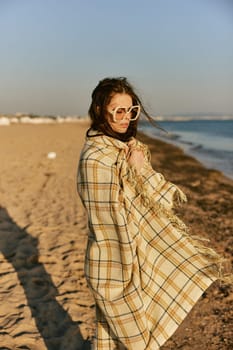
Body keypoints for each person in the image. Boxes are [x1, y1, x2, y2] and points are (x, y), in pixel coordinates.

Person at [77, 77, 226, 350]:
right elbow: (111, 226)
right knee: (140, 343)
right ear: (100, 111)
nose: (126, 118)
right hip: (112, 269)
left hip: (136, 262)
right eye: (118, 111)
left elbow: (162, 202)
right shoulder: (96, 159)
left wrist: (140, 167)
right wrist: (141, 170)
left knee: (109, 340)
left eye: (131, 110)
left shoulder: (129, 151)